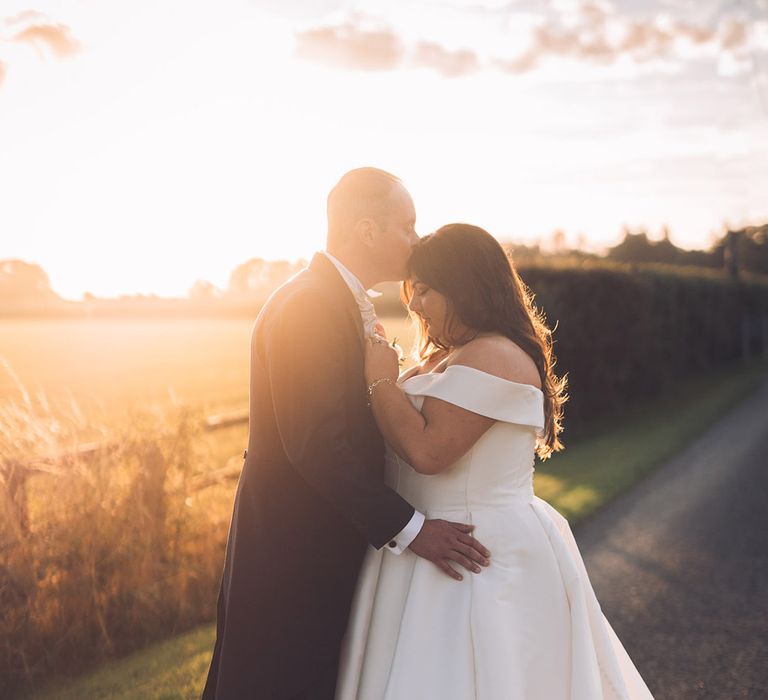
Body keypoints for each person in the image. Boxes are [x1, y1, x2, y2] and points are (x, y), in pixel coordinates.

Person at [201, 170, 491, 700]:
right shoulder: (311, 305)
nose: (416, 238)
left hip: (320, 542)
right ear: (365, 230)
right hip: (293, 554)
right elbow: (316, 444)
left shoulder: (333, 298)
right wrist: (412, 528)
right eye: (407, 225)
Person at [336, 223, 654, 699]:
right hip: (420, 545)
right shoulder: (451, 354)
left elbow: (428, 452)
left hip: (473, 555)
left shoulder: (496, 355)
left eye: (425, 290)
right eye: (412, 291)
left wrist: (380, 382)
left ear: (464, 284)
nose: (415, 304)